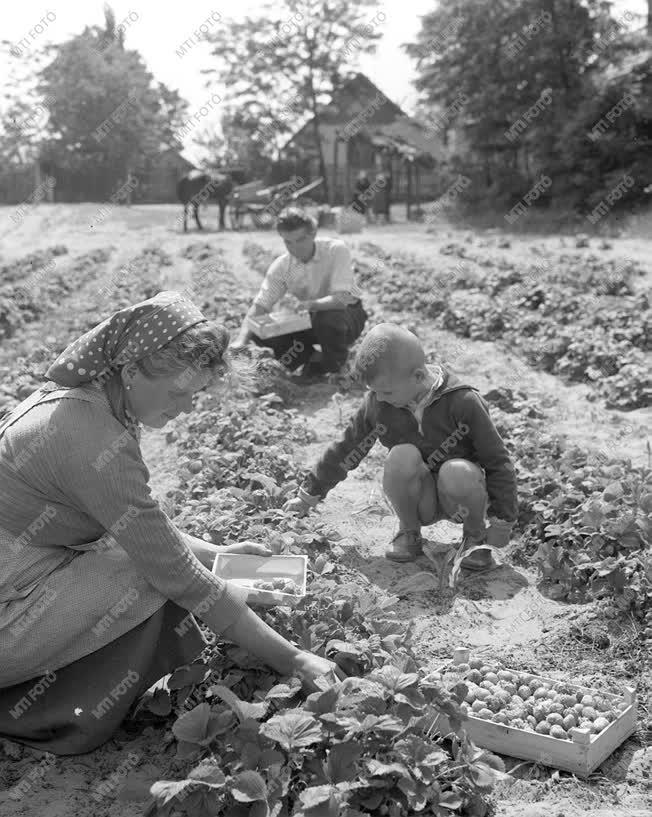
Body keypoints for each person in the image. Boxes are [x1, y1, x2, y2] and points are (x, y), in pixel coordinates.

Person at [0, 291, 341, 756]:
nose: (185, 407)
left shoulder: (90, 399)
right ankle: (47, 711)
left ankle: (265, 583)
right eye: (177, 392)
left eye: (194, 394)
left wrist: (220, 558)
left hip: (21, 576)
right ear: (133, 369)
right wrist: (295, 658)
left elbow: (133, 527)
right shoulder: (86, 435)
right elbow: (166, 565)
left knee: (146, 560)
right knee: (147, 574)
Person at [284, 323, 517, 569]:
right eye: (374, 392)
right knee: (401, 456)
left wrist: (503, 521)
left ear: (417, 376)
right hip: (420, 499)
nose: (379, 398)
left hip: (461, 498)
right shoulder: (379, 401)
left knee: (457, 470)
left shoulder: (463, 402)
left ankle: (474, 537)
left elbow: (497, 460)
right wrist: (308, 495)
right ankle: (410, 532)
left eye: (386, 391)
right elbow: (348, 447)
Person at [232, 208, 368, 379]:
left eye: (300, 239)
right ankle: (314, 358)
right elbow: (261, 304)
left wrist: (311, 305)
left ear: (313, 233)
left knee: (327, 318)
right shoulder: (282, 266)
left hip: (346, 316)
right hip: (308, 320)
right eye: (288, 242)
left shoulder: (335, 250)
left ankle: (336, 366)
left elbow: (341, 299)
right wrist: (241, 340)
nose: (295, 248)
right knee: (260, 331)